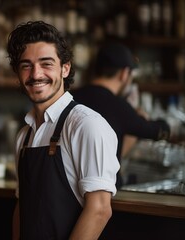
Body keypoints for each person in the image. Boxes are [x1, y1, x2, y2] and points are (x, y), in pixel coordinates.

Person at [6, 21, 120, 240]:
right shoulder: (24, 135)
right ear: (18, 73)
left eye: (46, 63)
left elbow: (99, 210)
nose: (36, 74)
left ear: (65, 68)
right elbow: (23, 207)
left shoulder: (86, 125)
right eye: (26, 65)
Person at [72, 42, 171, 188]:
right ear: (124, 74)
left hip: (69, 191)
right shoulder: (118, 106)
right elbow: (158, 132)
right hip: (105, 193)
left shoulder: (70, 97)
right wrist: (155, 121)